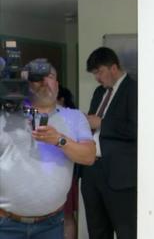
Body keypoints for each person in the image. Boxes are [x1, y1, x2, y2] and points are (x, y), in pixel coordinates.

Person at [0, 58, 95, 239]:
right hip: (5, 224)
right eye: (37, 78)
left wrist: (59, 140)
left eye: (49, 76)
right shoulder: (5, 117)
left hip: (51, 225)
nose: (44, 82)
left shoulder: (74, 117)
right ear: (25, 85)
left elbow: (89, 156)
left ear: (57, 85)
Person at [81, 47, 138, 239]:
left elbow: (137, 129)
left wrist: (102, 123)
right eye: (94, 73)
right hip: (91, 171)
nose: (97, 78)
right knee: (96, 231)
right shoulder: (99, 92)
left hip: (119, 175)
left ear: (113, 68)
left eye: (99, 72)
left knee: (126, 230)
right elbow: (93, 125)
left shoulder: (134, 90)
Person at [56, 85, 79, 239]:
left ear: (61, 100)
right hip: (51, 173)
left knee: (67, 215)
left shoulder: (71, 118)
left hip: (65, 172)